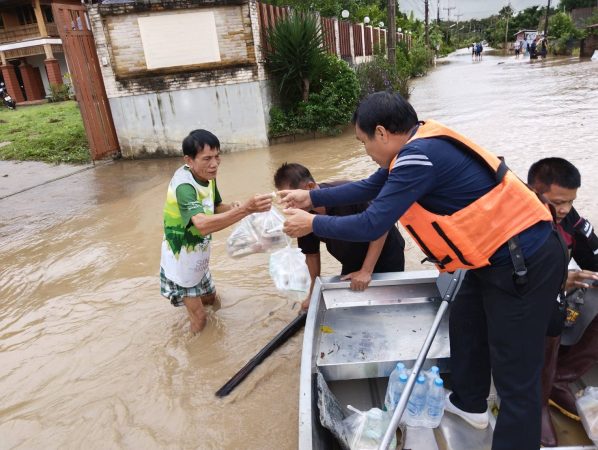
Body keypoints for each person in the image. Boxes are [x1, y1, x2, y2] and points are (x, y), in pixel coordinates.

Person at [280, 91, 567, 450]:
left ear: (382, 133)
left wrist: (312, 223)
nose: (365, 150)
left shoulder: (417, 159)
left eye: (363, 142)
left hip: (526, 262)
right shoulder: (416, 147)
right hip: (490, 259)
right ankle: (469, 404)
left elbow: (372, 224)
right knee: (466, 321)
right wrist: (314, 199)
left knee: (516, 380)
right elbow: (372, 186)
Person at [160, 129, 273, 333]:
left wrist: (235, 208)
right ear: (189, 160)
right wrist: (246, 209)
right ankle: (194, 357)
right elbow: (202, 224)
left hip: (198, 255)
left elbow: (215, 206)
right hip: (181, 259)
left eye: (217, 157)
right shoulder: (184, 187)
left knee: (211, 299)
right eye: (207, 159)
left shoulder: (207, 176)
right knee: (200, 319)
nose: (214, 164)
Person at [527, 158, 598, 447]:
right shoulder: (512, 221)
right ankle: (537, 401)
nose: (565, 209)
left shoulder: (570, 219)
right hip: (516, 303)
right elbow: (501, 281)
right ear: (533, 191)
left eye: (570, 201)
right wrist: (558, 282)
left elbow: (593, 258)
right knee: (545, 317)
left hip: (556, 295)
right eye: (558, 202)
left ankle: (559, 378)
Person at [273, 162, 405, 310]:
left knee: (387, 306)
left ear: (309, 188)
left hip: (385, 253)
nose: (288, 206)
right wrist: (312, 294)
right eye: (284, 199)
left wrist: (366, 271)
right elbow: (311, 255)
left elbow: (381, 226)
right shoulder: (303, 212)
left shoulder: (347, 194)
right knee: (353, 308)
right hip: (350, 259)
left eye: (290, 198)